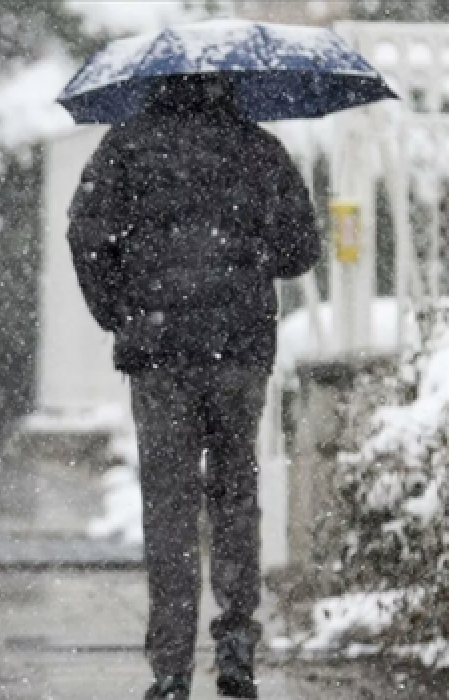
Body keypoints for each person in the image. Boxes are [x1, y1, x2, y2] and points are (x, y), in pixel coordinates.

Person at [67, 74, 319, 700]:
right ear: (228, 86)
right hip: (238, 349)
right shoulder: (258, 147)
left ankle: (171, 668)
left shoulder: (123, 148)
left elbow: (86, 236)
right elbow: (300, 250)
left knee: (169, 505)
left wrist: (120, 311)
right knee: (235, 496)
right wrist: (247, 253)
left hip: (158, 354)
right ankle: (235, 649)